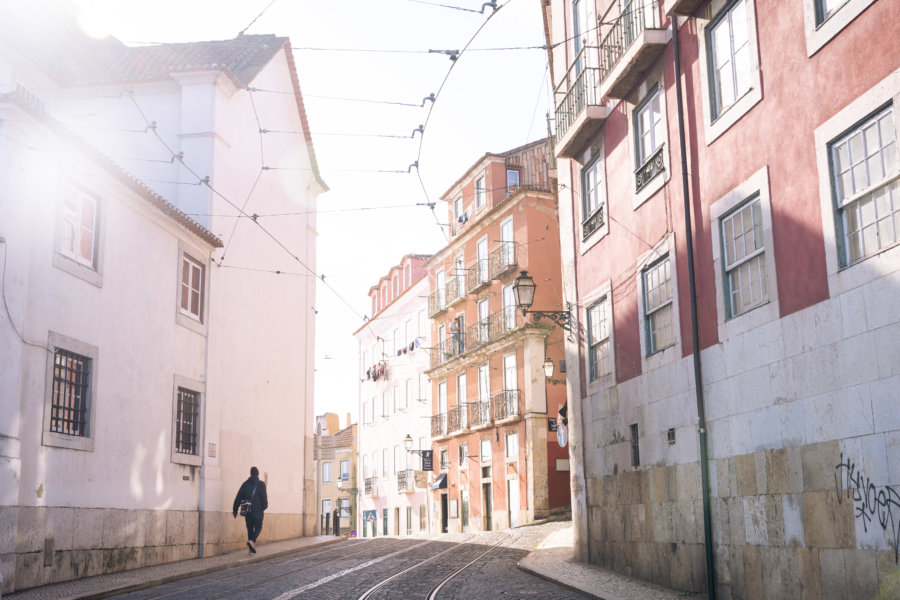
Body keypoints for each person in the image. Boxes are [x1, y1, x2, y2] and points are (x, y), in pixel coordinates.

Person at [233, 466, 268, 554]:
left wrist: (235, 509)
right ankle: (252, 542)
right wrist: (263, 507)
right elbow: (264, 499)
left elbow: (238, 497)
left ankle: (250, 550)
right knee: (258, 527)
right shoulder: (261, 484)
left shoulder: (245, 484)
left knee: (250, 529)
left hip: (248, 511)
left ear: (250, 474)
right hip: (257, 510)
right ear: (258, 474)